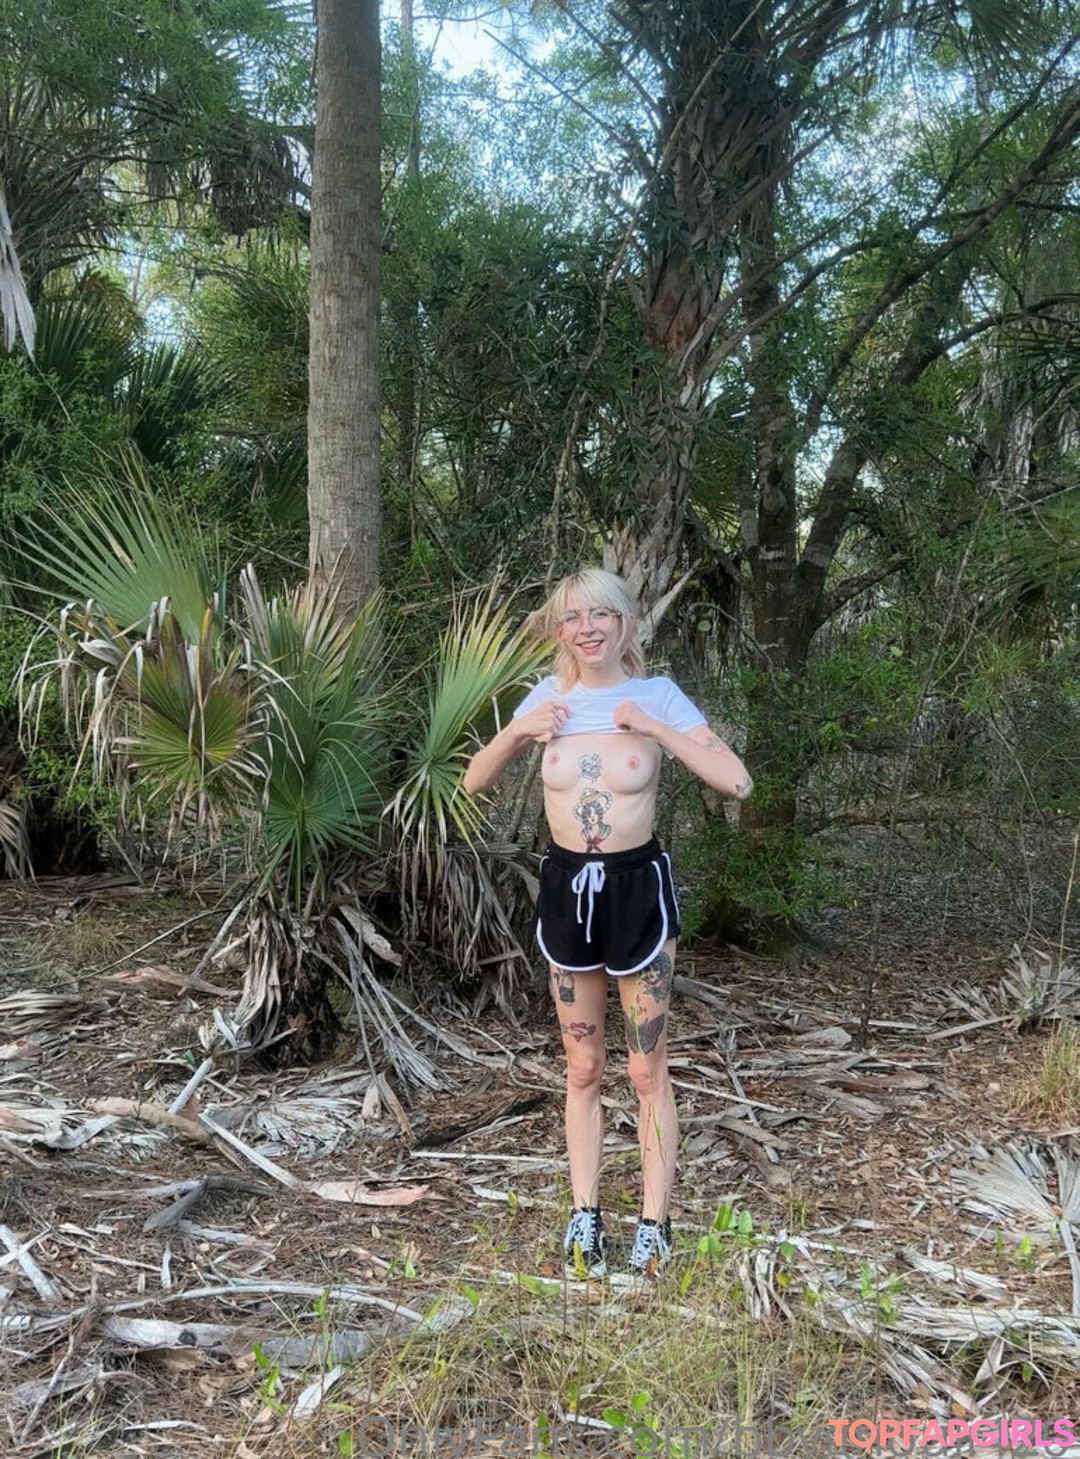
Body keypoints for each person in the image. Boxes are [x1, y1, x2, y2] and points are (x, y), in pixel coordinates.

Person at [463, 569, 752, 1279]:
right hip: (568, 889)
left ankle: (655, 1224)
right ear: (558, 629)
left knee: (646, 1067)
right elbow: (473, 779)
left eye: (600, 614)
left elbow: (737, 780)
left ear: (625, 622)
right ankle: (585, 1215)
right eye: (571, 617)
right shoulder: (546, 696)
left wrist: (655, 729)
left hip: (636, 891)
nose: (586, 628)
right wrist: (519, 731)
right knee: (584, 1065)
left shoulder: (658, 695)